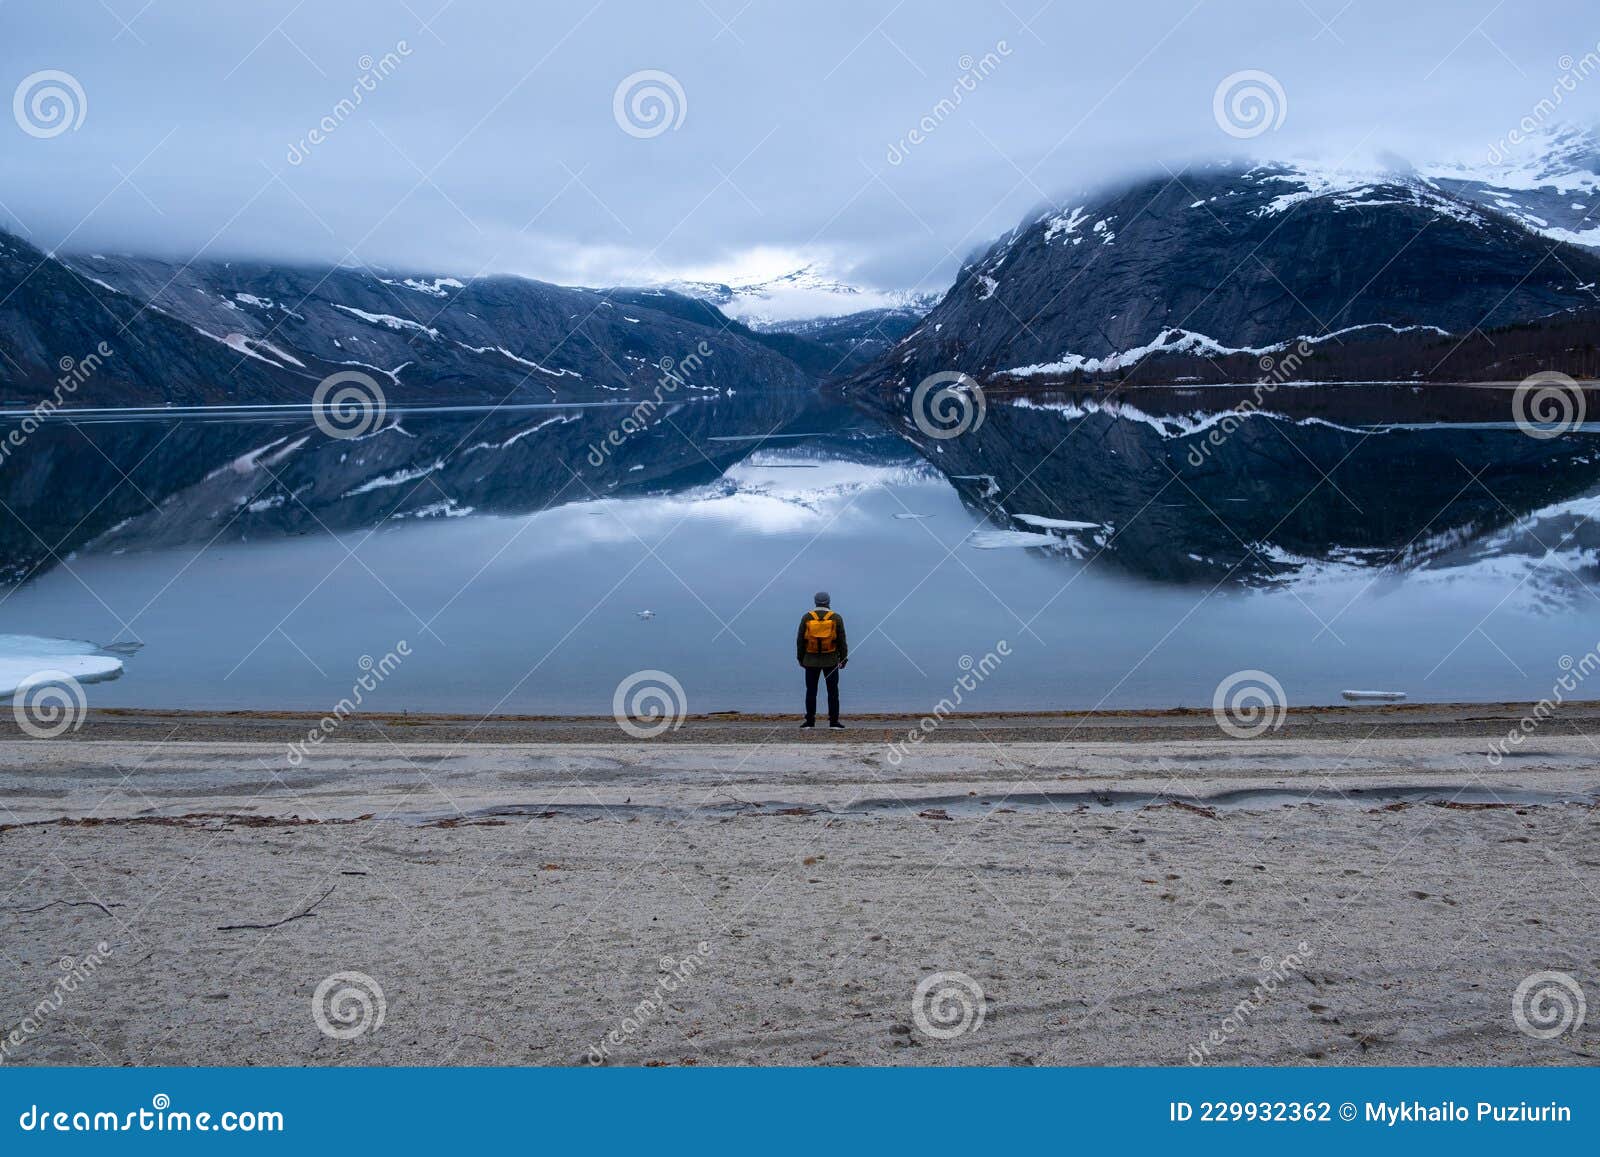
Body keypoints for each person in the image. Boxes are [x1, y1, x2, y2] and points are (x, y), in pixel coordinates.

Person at [796, 591, 847, 729]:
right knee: (833, 692)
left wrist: (801, 658)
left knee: (811, 691)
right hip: (831, 660)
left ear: (815, 602)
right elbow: (842, 640)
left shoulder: (807, 617)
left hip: (810, 660)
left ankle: (810, 722)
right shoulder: (836, 617)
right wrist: (843, 658)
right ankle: (834, 722)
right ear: (828, 602)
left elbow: (800, 640)